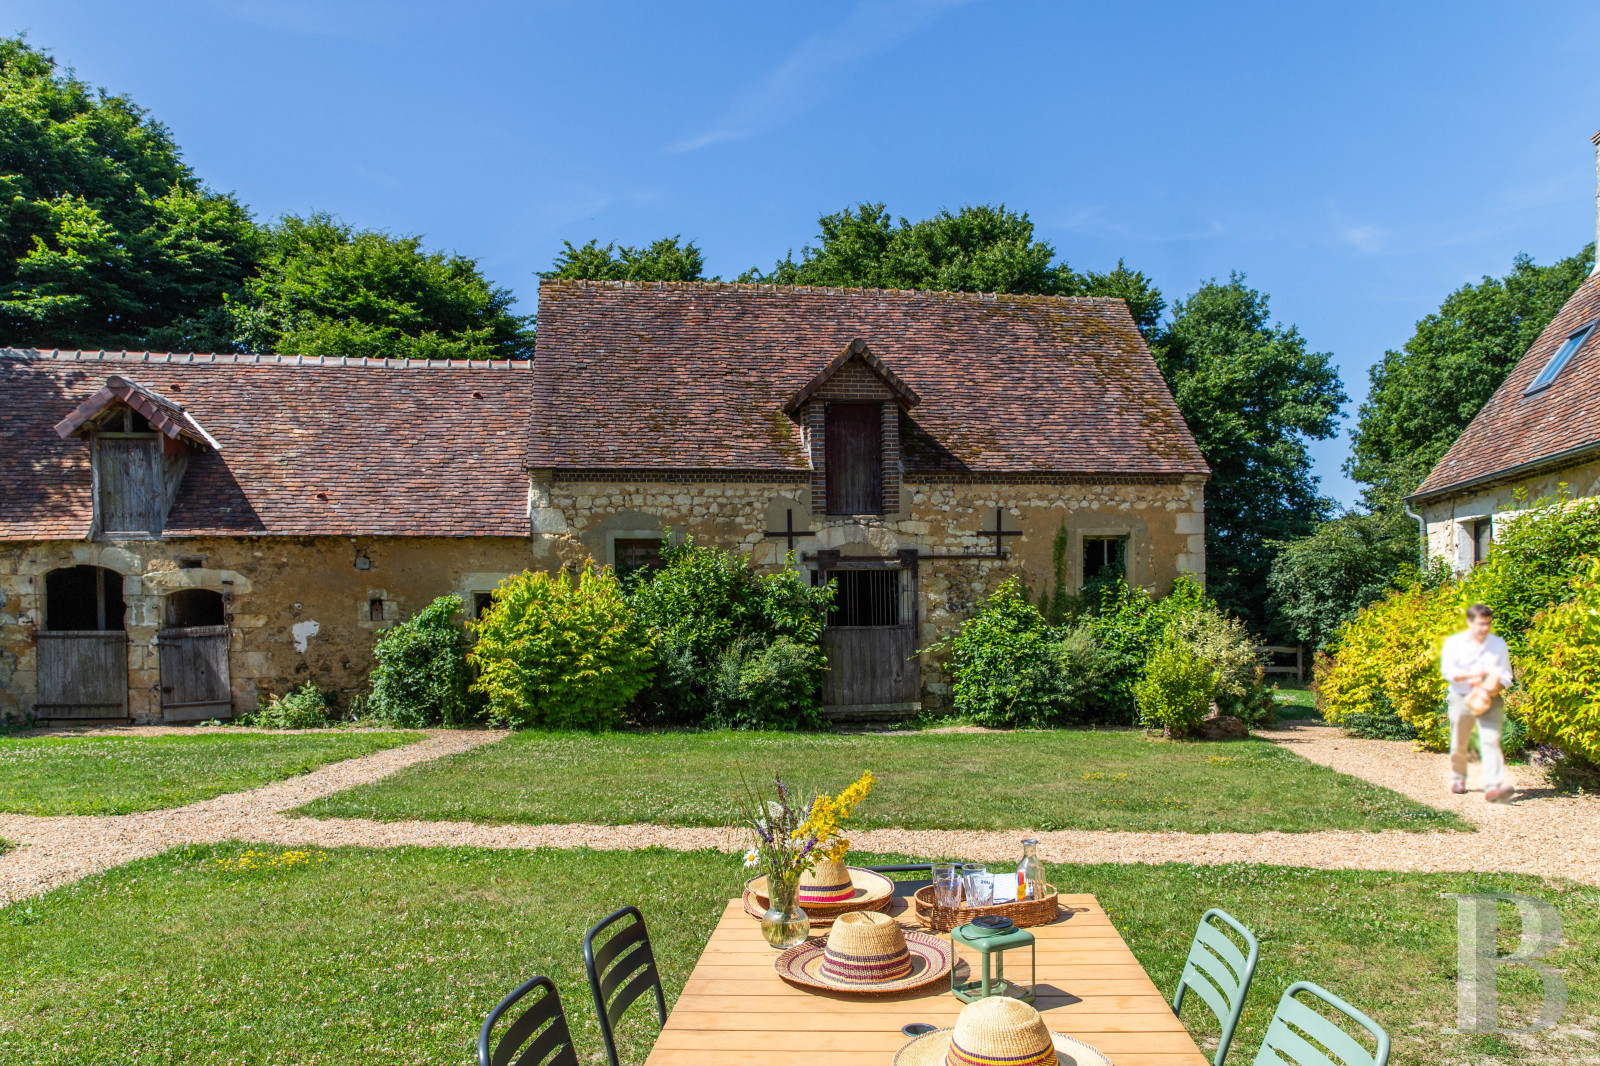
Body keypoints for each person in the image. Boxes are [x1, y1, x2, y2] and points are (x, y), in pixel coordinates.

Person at [1439, 603, 1515, 802]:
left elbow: (1507, 675)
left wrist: (1495, 687)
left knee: (1491, 740)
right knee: (1460, 739)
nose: (1485, 628)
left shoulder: (1498, 645)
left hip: (1491, 697)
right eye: (1481, 624)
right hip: (1461, 696)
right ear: (1470, 622)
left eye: (1488, 623)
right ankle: (1458, 779)